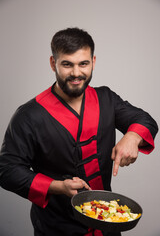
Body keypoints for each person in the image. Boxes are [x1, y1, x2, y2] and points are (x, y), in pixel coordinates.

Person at [0, 27, 158, 236]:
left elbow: (145, 120)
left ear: (93, 62)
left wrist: (132, 136)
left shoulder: (106, 98)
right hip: (56, 228)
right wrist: (57, 186)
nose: (76, 73)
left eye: (83, 63)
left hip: (107, 222)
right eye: (67, 64)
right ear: (52, 63)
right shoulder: (29, 115)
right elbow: (7, 170)